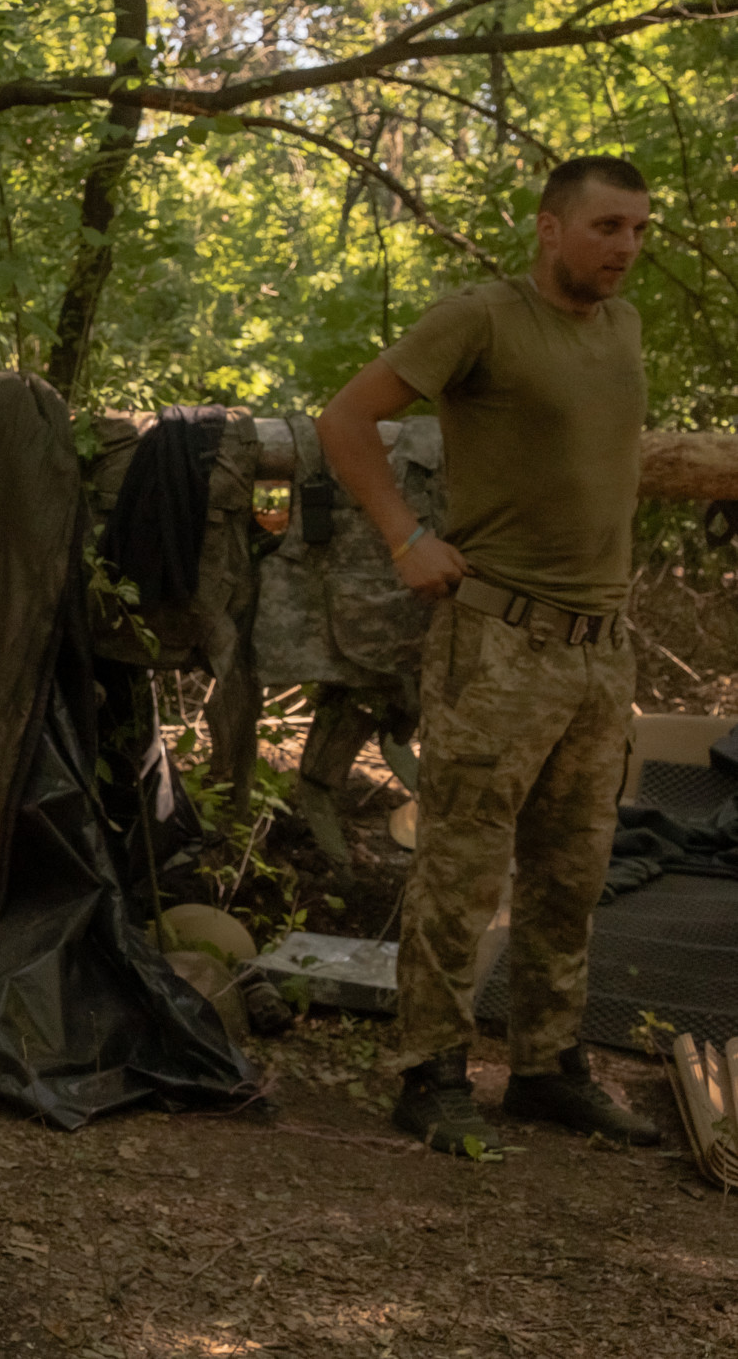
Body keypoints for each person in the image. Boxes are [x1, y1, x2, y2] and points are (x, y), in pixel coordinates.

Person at [318, 152, 661, 1156]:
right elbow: (347, 418)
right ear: (549, 227)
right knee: (462, 863)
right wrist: (404, 536)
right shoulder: (481, 316)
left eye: (638, 230)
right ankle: (427, 1071)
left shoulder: (624, 325)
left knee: (573, 870)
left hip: (602, 648)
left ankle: (550, 1066)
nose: (625, 248)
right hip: (500, 637)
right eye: (606, 227)